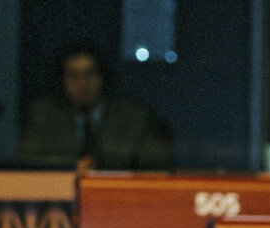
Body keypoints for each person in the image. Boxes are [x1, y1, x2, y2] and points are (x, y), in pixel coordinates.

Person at [18, 42, 173, 172]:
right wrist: (71, 168)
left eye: (89, 74)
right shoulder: (44, 116)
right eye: (73, 75)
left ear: (102, 77)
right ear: (62, 81)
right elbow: (29, 164)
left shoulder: (135, 117)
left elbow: (158, 167)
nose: (82, 83)